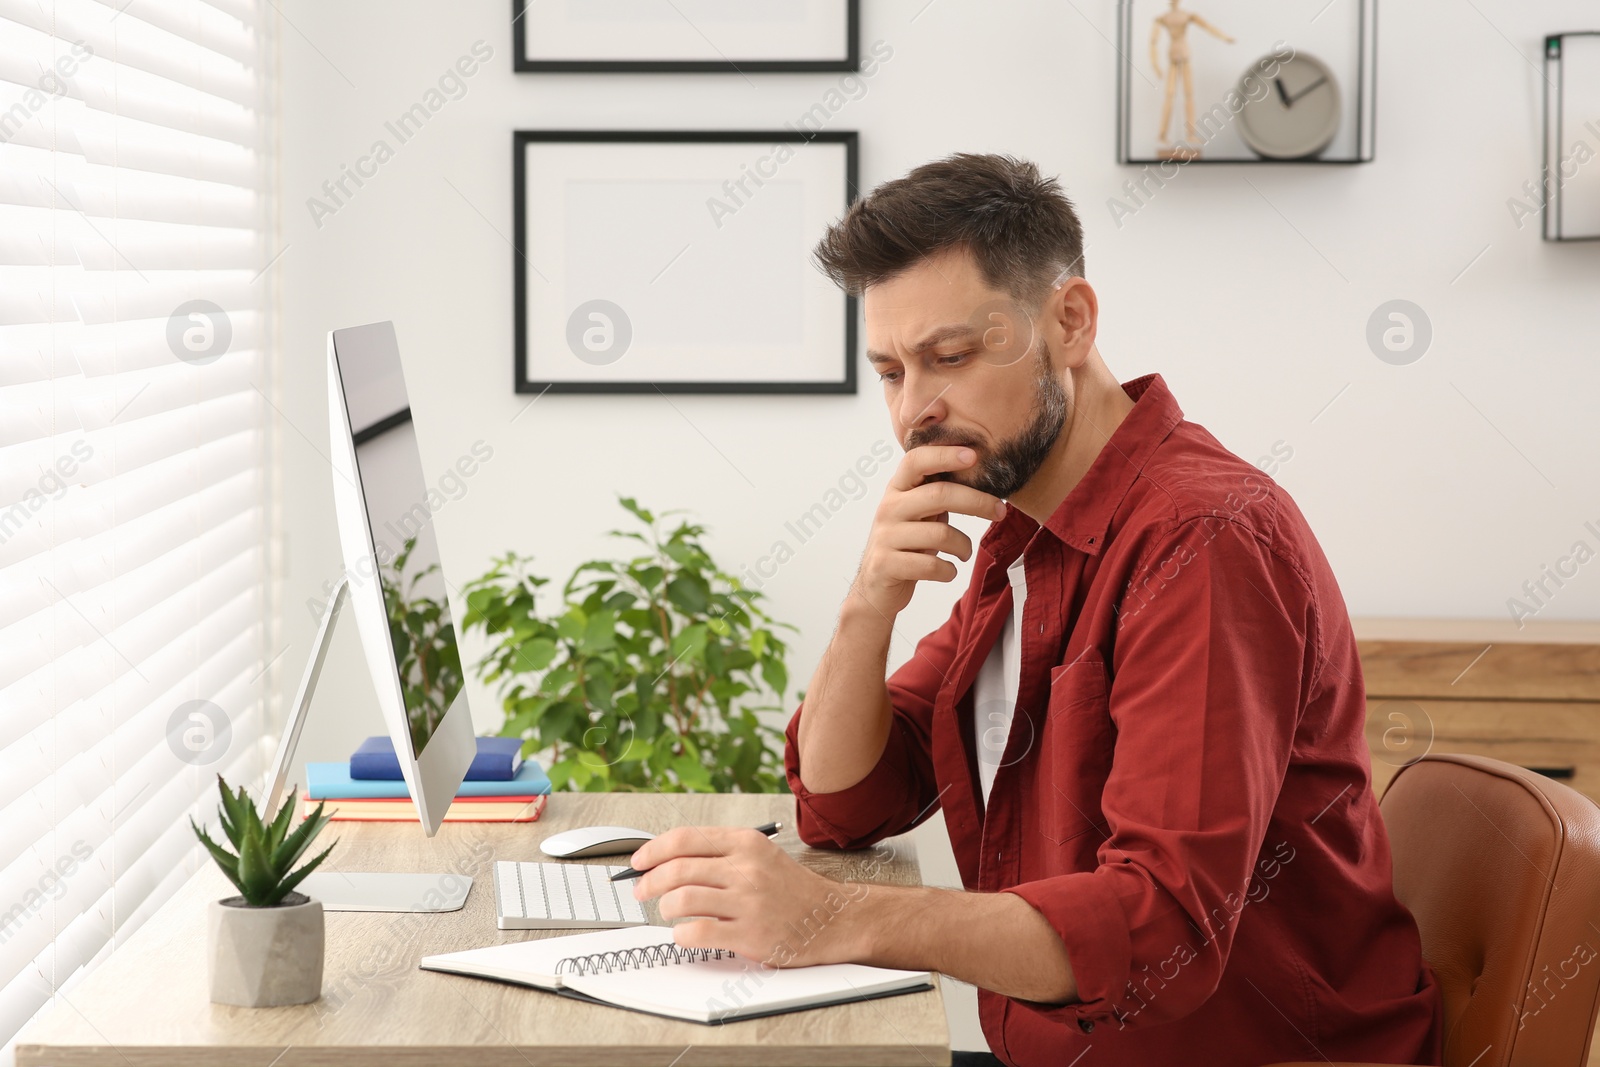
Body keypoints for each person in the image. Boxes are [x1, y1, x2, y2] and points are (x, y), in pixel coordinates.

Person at [626, 152, 1443, 1066]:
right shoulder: (1024, 531)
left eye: (951, 357)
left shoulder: (1202, 540)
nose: (913, 414)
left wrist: (832, 917)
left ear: (1070, 322)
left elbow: (1159, 930)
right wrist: (869, 599)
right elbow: (849, 798)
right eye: (890, 371)